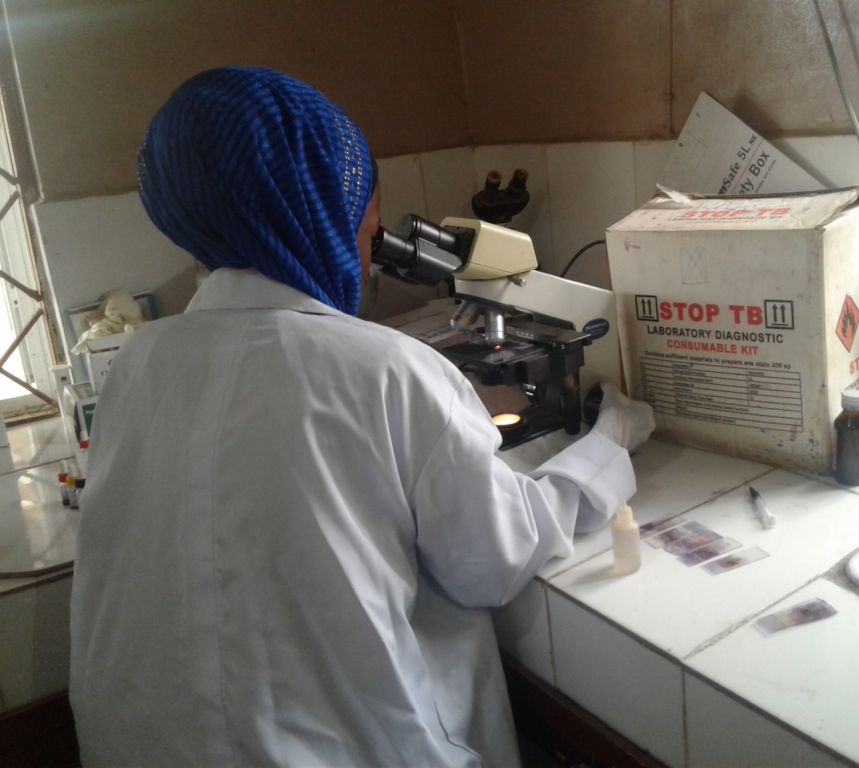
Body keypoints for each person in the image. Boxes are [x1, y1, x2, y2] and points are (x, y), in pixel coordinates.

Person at [69, 67, 654, 767]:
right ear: (324, 214)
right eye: (368, 230)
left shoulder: (137, 367)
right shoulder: (382, 369)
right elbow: (496, 559)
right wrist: (609, 444)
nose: (370, 254)